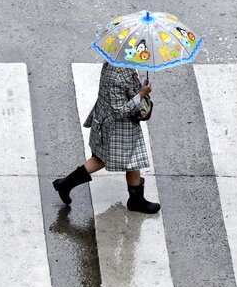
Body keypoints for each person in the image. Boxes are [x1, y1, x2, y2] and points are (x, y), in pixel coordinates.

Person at [52, 61, 160, 214]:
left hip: (107, 123)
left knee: (104, 159)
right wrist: (141, 94)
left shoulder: (117, 64)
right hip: (117, 129)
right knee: (131, 160)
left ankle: (66, 184)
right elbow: (119, 111)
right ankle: (136, 201)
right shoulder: (116, 75)